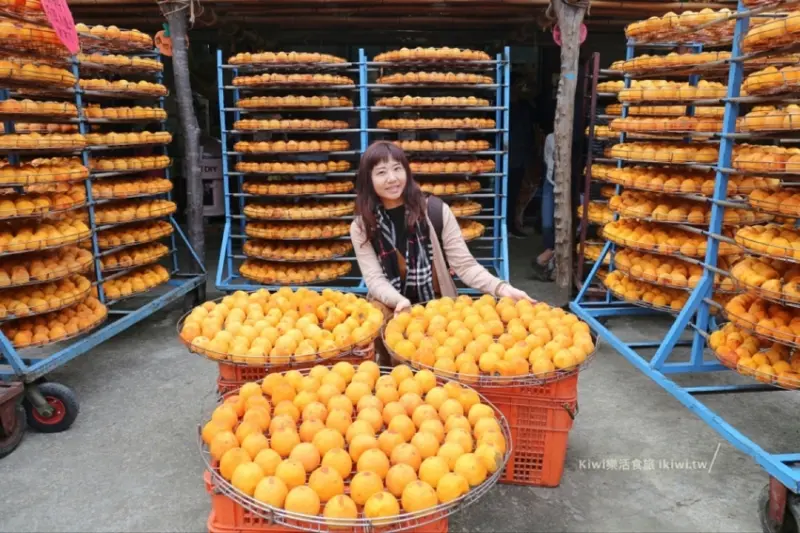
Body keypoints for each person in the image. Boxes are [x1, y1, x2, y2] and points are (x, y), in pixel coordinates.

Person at [351, 141, 534, 318]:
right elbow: (375, 279)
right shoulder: (362, 227)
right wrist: (400, 301)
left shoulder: (435, 211)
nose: (392, 178)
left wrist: (502, 288)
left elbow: (465, 265)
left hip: (438, 312)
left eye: (397, 168)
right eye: (381, 172)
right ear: (369, 180)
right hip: (391, 312)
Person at [507, 73, 536, 238]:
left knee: (515, 193)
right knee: (506, 193)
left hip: (519, 157)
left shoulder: (524, 106)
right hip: (507, 156)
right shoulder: (503, 105)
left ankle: (511, 225)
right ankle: (506, 226)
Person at [532, 130, 555, 280]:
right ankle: (547, 256)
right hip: (550, 182)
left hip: (568, 184)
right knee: (547, 222)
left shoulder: (576, 139)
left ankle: (546, 259)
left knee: (564, 224)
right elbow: (547, 158)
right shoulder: (550, 137)